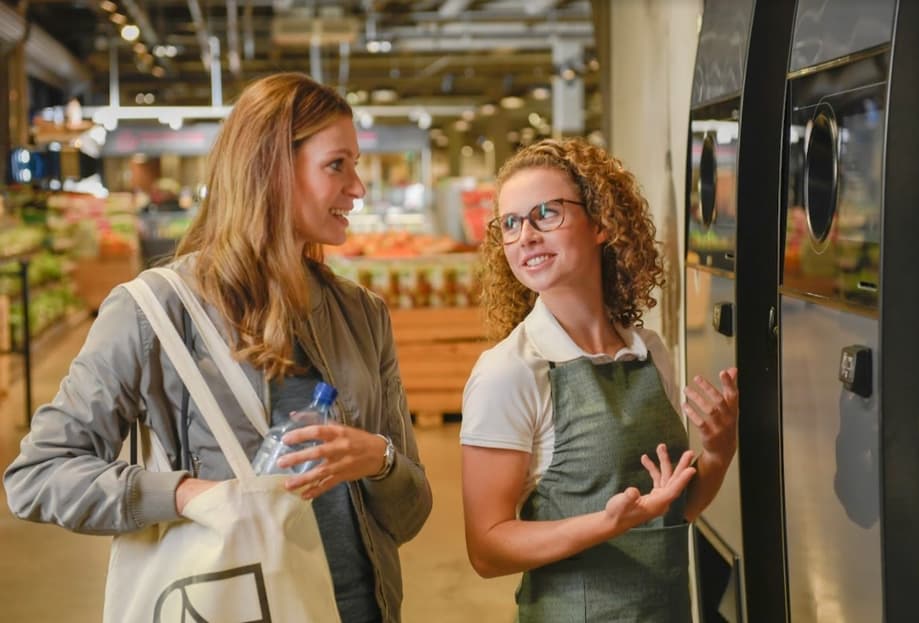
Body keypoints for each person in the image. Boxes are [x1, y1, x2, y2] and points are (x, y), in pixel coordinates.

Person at [4, 72, 432, 623]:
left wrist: (379, 460)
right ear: (272, 169)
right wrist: (183, 495)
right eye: (337, 165)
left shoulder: (362, 315)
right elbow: (37, 476)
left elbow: (411, 513)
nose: (358, 188)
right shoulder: (152, 314)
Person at [460, 138, 738, 622]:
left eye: (546, 213)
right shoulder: (510, 372)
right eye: (510, 223)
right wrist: (604, 524)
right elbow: (487, 549)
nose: (524, 235)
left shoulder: (650, 352)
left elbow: (674, 515)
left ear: (602, 223)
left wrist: (719, 450)